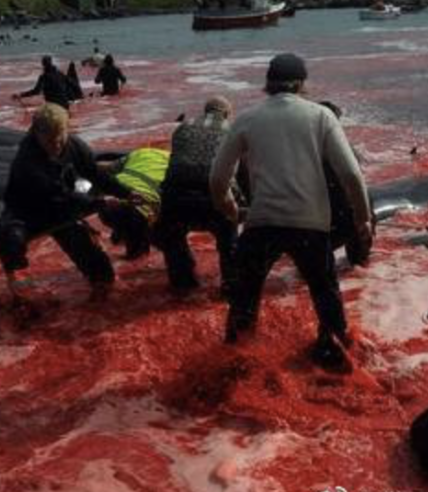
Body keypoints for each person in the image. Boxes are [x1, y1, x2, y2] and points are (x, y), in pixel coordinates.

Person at [210, 53, 372, 369]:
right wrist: (362, 218)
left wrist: (229, 207)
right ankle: (334, 352)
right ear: (301, 84)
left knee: (244, 300)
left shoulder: (246, 118)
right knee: (325, 294)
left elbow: (218, 177)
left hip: (262, 223)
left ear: (268, 84)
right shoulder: (321, 117)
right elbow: (351, 174)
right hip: (310, 225)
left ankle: (236, 363)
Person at [0, 104, 136, 311]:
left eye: (60, 138)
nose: (57, 146)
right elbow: (58, 195)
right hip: (27, 209)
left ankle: (99, 291)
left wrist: (126, 192)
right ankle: (15, 289)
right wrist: (97, 203)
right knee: (9, 239)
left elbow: (96, 174)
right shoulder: (27, 161)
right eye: (50, 141)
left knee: (102, 272)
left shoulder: (74, 145)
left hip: (60, 210)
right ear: (36, 134)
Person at [154, 97, 240, 295]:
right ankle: (230, 286)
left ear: (206, 111)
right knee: (228, 241)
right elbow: (241, 171)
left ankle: (183, 284)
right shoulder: (233, 129)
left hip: (174, 197)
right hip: (214, 196)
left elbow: (180, 160)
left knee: (173, 238)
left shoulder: (183, 127)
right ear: (227, 114)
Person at [319, 101, 373, 266]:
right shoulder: (342, 148)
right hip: (343, 214)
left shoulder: (302, 147)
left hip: (314, 215)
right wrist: (364, 218)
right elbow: (353, 177)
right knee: (357, 262)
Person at [97, 147, 170, 260]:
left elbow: (104, 168)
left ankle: (123, 232)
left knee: (123, 222)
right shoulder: (174, 161)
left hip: (109, 205)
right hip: (142, 211)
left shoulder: (139, 153)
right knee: (167, 248)